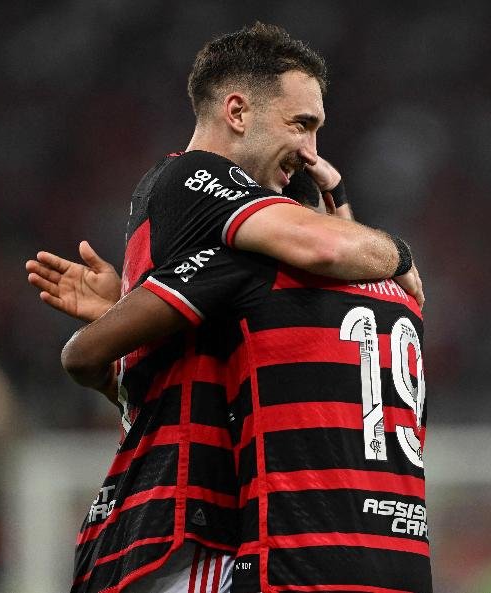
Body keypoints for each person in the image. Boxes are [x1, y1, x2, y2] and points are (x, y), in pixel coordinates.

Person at [26, 22, 423, 593]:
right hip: (183, 528)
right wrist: (400, 255)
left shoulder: (216, 239)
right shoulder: (197, 176)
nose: (311, 152)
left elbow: (182, 354)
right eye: (301, 124)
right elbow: (327, 246)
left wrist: (124, 317)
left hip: (188, 524)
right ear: (237, 113)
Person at [59, 171, 432, 592]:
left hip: (301, 561)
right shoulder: (406, 298)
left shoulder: (254, 272)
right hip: (407, 561)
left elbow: (81, 354)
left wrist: (126, 316)